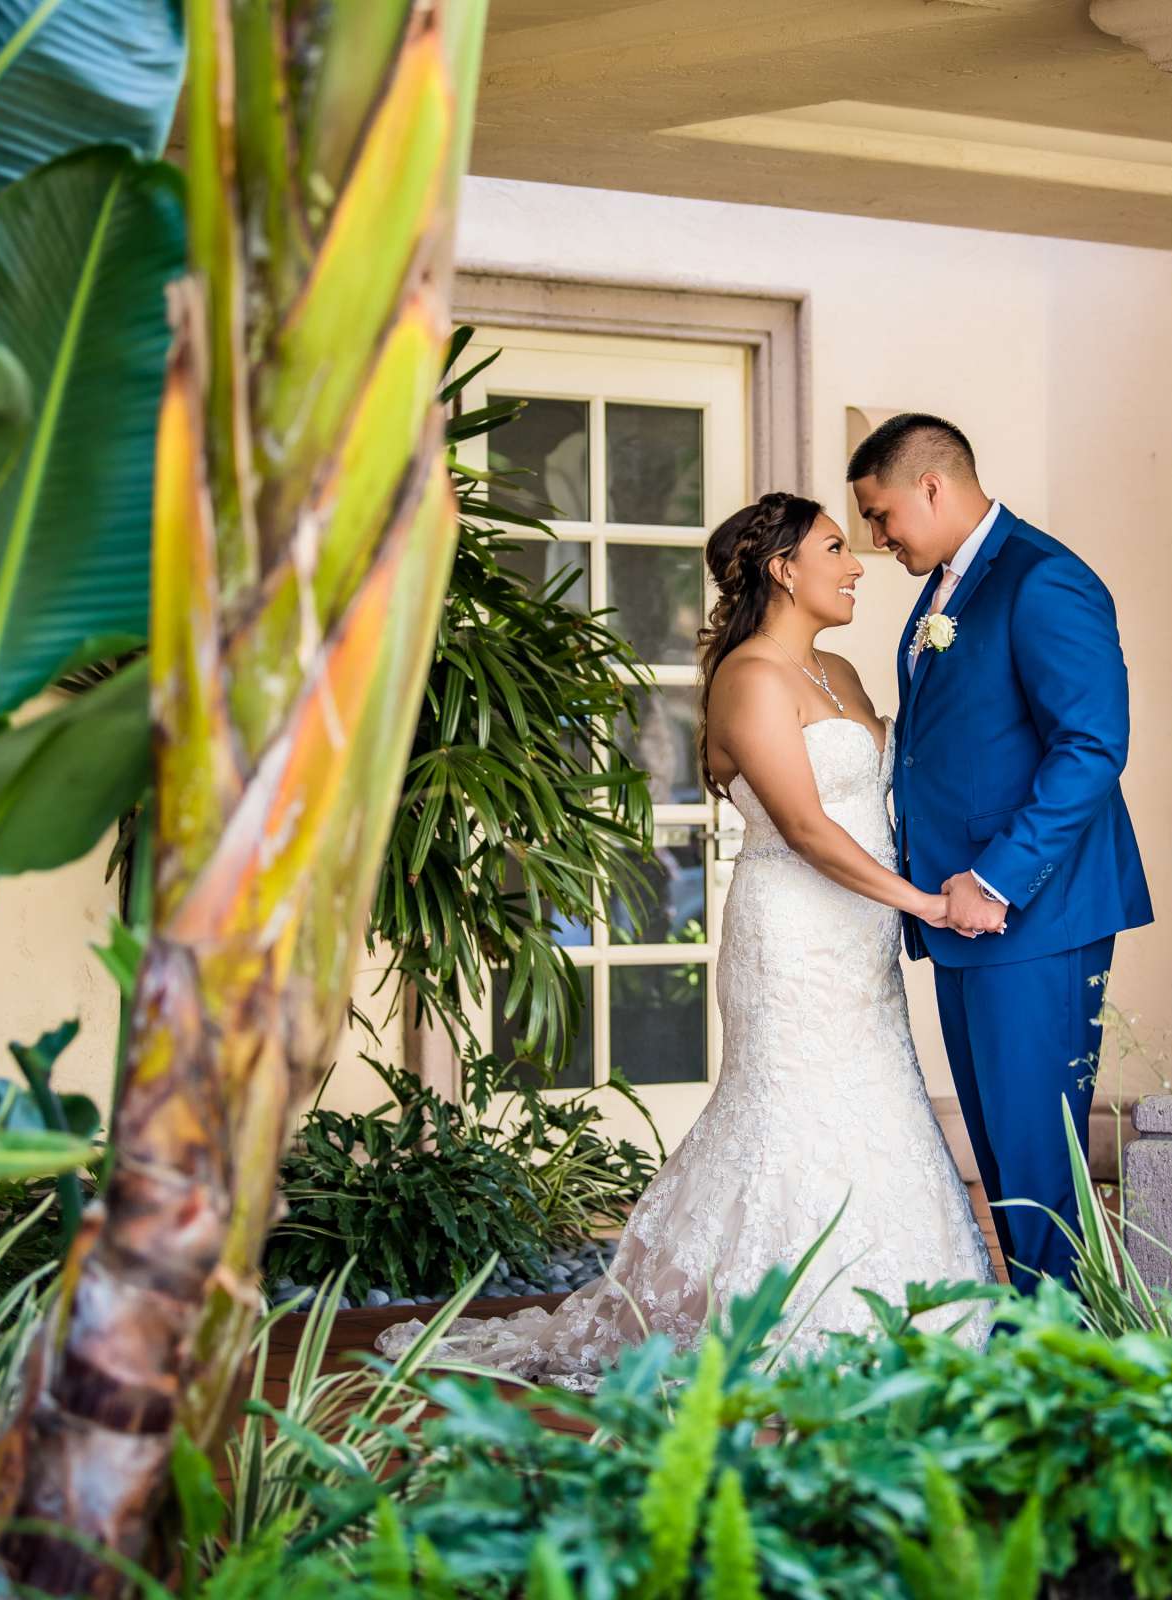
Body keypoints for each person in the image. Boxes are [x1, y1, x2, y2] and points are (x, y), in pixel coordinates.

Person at [376, 492, 993, 1385]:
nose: (856, 562)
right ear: (784, 568)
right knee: (792, 1115)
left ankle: (897, 1304)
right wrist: (928, 905)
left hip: (859, 941)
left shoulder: (846, 676)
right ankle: (789, 1321)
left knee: (876, 1103)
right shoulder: (748, 678)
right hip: (791, 935)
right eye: (834, 546)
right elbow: (810, 830)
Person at [851, 414, 1152, 1293]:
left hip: (1030, 913)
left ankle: (1059, 1356)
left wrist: (997, 877)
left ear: (932, 488)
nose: (877, 538)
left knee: (1036, 1160)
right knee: (1001, 1153)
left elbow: (1093, 743)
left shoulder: (1043, 580)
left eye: (881, 516)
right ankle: (1034, 1341)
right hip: (962, 915)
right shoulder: (946, 585)